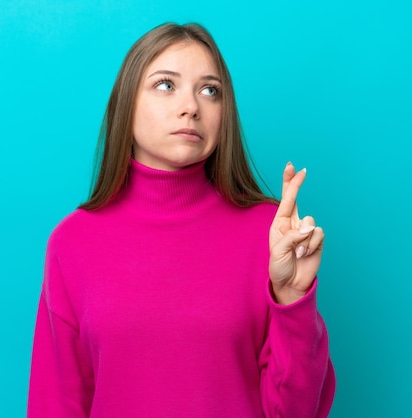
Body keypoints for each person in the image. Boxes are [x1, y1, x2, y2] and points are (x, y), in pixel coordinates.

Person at [28, 22, 335, 417]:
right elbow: (56, 403)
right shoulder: (72, 242)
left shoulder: (270, 233)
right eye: (165, 85)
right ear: (126, 103)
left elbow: (298, 412)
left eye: (210, 91)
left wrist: (293, 297)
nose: (192, 106)